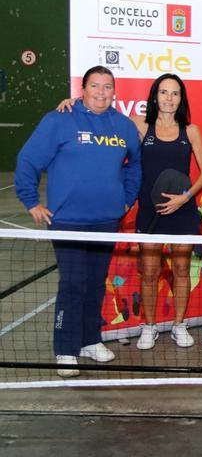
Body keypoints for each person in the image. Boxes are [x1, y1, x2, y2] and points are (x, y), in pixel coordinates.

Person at [55, 74, 202, 350]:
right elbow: (104, 118)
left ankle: (179, 325)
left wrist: (185, 197)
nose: (169, 98)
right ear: (154, 96)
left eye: (175, 93)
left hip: (183, 210)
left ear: (181, 98)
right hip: (150, 213)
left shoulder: (192, 131)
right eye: (164, 92)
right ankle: (148, 327)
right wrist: (76, 104)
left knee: (182, 269)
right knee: (149, 272)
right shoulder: (139, 126)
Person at [15, 65, 141, 377]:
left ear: (114, 91)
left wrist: (126, 198)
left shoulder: (123, 126)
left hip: (106, 220)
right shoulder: (60, 119)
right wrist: (31, 201)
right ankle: (66, 349)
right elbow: (28, 160)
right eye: (95, 86)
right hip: (68, 220)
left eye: (107, 86)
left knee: (96, 283)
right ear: (82, 90)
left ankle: (89, 340)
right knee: (72, 284)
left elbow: (135, 165)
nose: (101, 92)